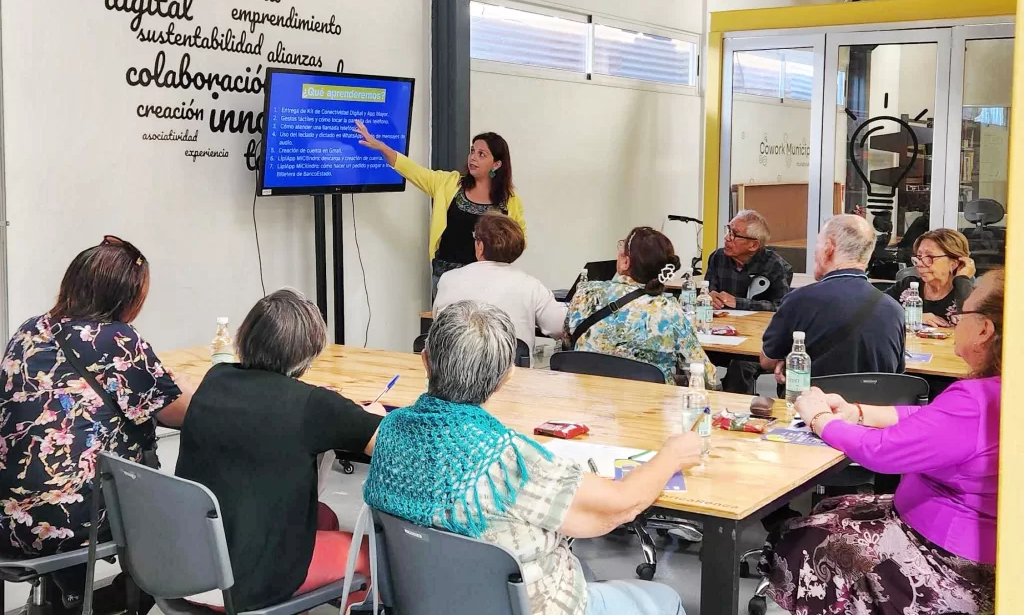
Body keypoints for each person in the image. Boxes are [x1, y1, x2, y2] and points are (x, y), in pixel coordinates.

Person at [364, 301, 693, 615]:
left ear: (425, 360)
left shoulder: (390, 431)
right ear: (506, 377)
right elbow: (618, 506)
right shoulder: (510, 459)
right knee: (666, 598)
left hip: (426, 602)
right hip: (531, 606)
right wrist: (672, 455)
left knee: (583, 569)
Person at [763, 268, 1002, 615]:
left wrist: (820, 419)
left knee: (802, 537)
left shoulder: (975, 401)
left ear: (984, 330)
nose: (956, 320)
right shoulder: (998, 390)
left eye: (962, 312)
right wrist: (858, 412)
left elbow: (880, 451)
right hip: (972, 541)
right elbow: (935, 421)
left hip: (948, 557)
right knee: (831, 508)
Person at [0, 236, 194, 610]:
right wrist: (187, 384)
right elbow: (177, 412)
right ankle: (132, 595)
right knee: (172, 501)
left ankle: (74, 594)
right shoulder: (118, 339)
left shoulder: (29, 330)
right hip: (66, 522)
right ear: (125, 296)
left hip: (6, 518)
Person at [174, 289, 386, 612]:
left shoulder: (215, 377)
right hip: (244, 583)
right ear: (307, 354)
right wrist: (375, 413)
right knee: (375, 550)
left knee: (324, 516)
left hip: (186, 566)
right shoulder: (312, 405)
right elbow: (385, 440)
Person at [354, 120, 526, 293]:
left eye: (482, 154)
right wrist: (382, 147)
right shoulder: (448, 183)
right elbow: (413, 170)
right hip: (447, 277)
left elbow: (519, 240)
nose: (473, 157)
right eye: (472, 151)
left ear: (496, 164)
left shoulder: (509, 200)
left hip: (489, 281)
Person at [760, 214, 905, 381]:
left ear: (828, 248)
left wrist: (788, 364)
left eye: (817, 244)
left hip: (811, 397)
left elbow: (767, 361)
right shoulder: (895, 311)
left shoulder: (799, 300)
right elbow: (896, 374)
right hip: (872, 399)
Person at [565, 227, 717, 387]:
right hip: (648, 400)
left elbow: (567, 342)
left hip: (586, 397)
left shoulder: (585, 294)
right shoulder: (668, 310)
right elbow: (705, 376)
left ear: (625, 262)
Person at [433, 213, 565, 351]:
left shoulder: (449, 279)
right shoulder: (531, 286)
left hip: (456, 362)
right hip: (512, 363)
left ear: (480, 246)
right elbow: (559, 326)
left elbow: (440, 324)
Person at [885, 227, 975, 327]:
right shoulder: (907, 286)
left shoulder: (968, 293)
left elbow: (972, 323)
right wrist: (915, 317)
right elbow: (874, 309)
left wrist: (962, 279)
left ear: (954, 263)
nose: (919, 264)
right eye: (919, 257)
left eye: (929, 257)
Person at [705, 210, 793, 312]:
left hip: (758, 322)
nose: (727, 238)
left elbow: (780, 306)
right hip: (723, 319)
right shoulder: (718, 257)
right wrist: (711, 297)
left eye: (734, 234)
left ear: (753, 245)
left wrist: (738, 303)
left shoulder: (775, 265)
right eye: (729, 231)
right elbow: (709, 290)